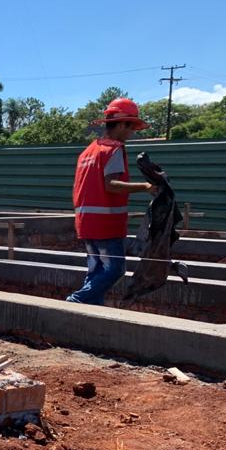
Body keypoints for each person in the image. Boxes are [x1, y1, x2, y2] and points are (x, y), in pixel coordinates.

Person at [66, 98, 157, 305]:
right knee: (115, 269)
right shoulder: (114, 149)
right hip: (106, 224)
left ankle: (89, 314)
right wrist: (145, 186)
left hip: (85, 222)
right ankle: (75, 301)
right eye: (131, 128)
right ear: (122, 124)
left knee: (96, 271)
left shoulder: (88, 151)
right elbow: (111, 185)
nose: (131, 133)